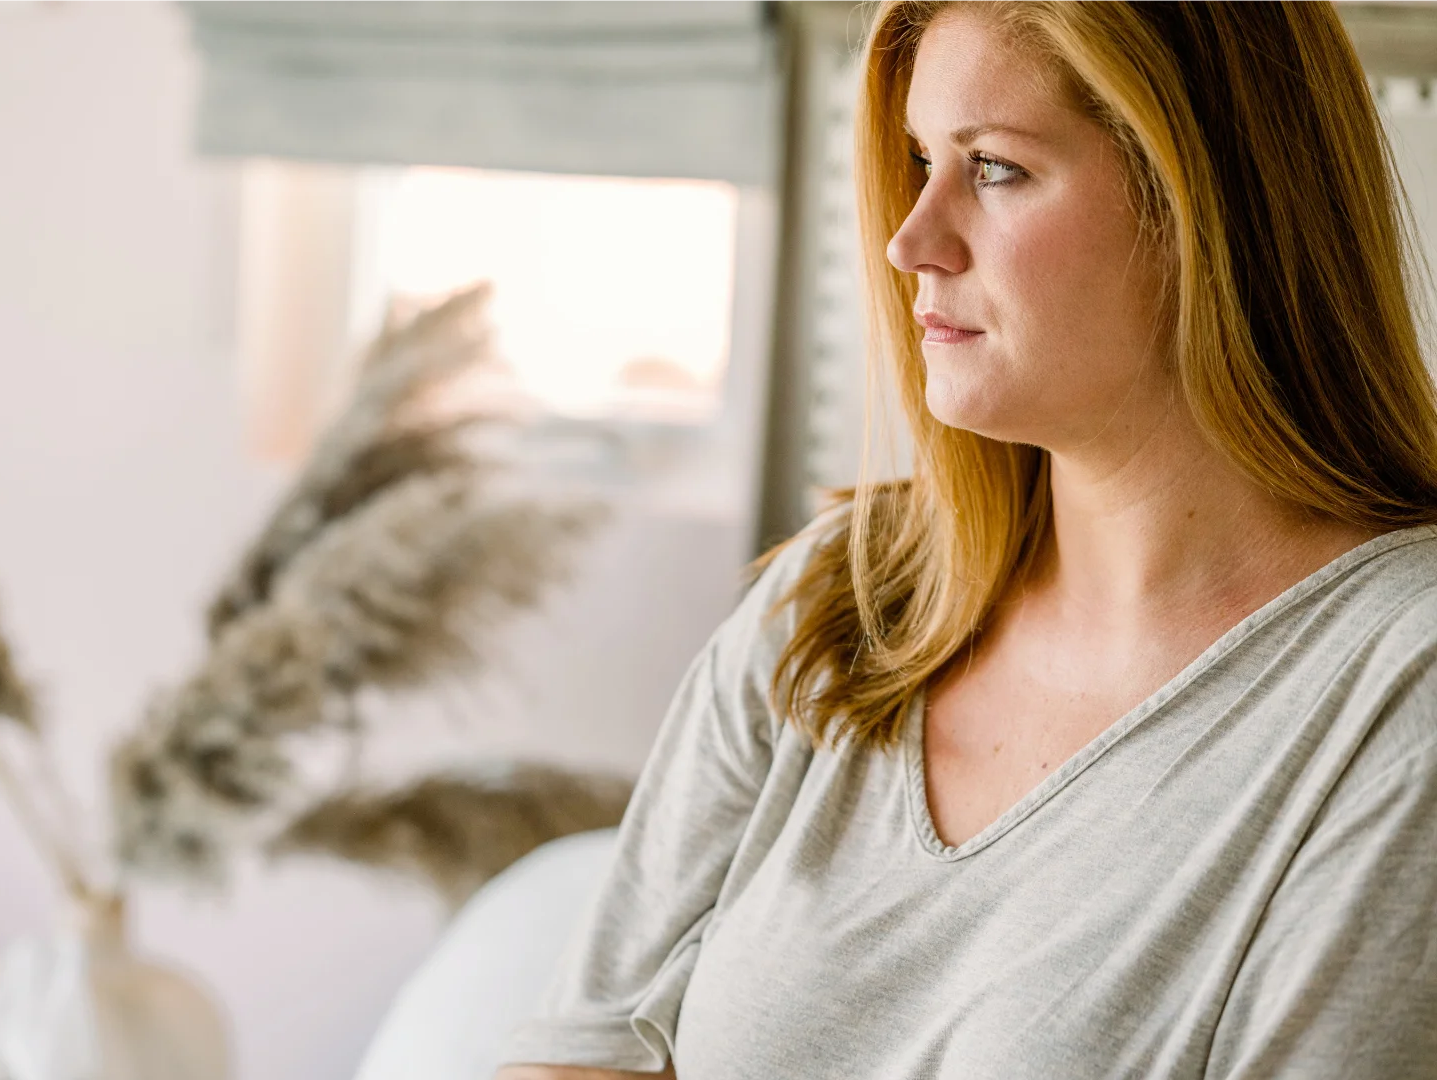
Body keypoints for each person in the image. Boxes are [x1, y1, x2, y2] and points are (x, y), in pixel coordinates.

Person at [495, 0, 1437, 1076]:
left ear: (1204, 205)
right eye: (918, 159)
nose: (911, 240)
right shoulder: (838, 601)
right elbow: (578, 1056)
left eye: (994, 168)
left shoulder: (1399, 689)